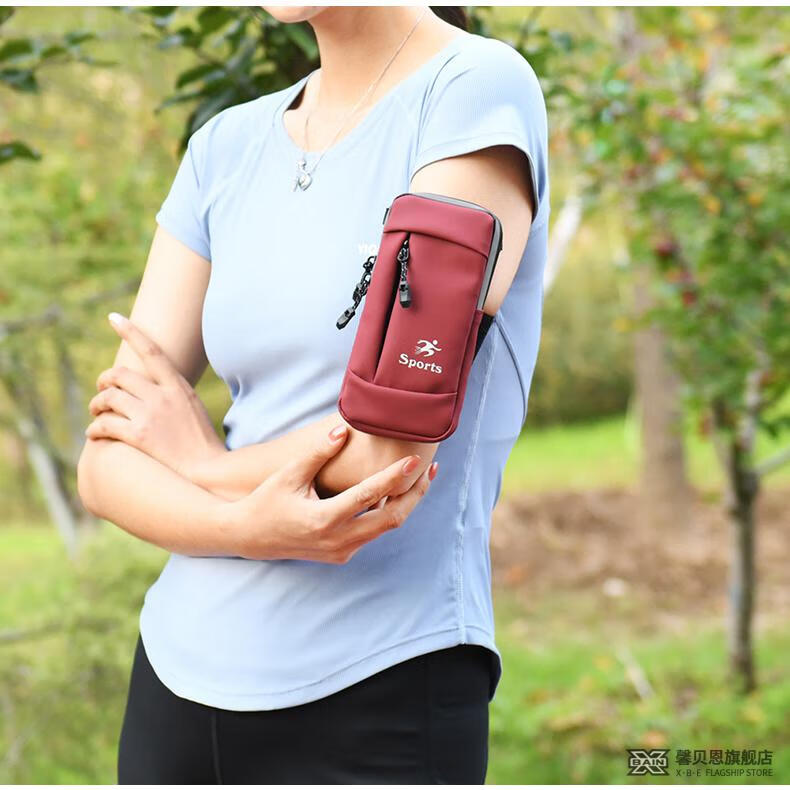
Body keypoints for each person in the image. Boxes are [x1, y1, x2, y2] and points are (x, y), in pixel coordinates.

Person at [77, 5, 550, 784]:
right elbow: (104, 467)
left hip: (378, 688)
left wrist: (194, 459)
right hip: (173, 689)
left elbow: (389, 450)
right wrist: (247, 524)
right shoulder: (222, 147)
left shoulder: (473, 93)